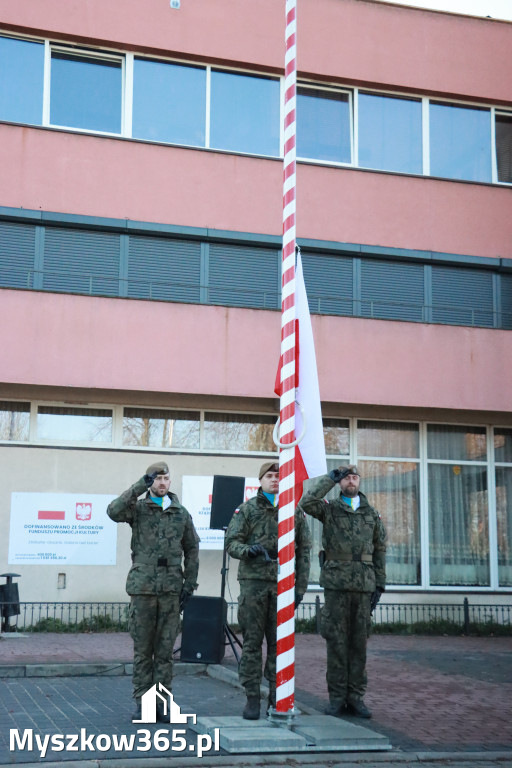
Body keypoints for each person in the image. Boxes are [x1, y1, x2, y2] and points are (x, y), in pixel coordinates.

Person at [107, 461, 200, 721]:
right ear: (151, 481)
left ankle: (161, 706)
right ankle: (143, 704)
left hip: (171, 589)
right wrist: (139, 485)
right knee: (142, 650)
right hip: (143, 588)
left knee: (165, 652)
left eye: (165, 478)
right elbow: (113, 511)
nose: (161, 482)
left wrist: (189, 584)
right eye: (156, 478)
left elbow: (192, 549)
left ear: (170, 482)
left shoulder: (181, 513)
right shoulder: (138, 509)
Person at [297, 465, 386, 719]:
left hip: (363, 585)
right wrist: (328, 479)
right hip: (336, 584)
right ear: (340, 482)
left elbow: (380, 549)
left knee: (359, 644)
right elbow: (306, 502)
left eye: (354, 477)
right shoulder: (330, 508)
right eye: (346, 478)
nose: (350, 481)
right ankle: (336, 698)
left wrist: (380, 583)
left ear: (359, 481)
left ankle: (356, 697)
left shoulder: (372, 513)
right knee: (336, 642)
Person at [225, 461, 311, 720]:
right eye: (270, 476)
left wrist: (300, 589)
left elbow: (303, 551)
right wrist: (247, 551)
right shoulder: (247, 510)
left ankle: (277, 696)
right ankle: (252, 697)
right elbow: (231, 542)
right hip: (254, 585)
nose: (275, 480)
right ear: (261, 481)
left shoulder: (293, 511)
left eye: (279, 476)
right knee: (252, 643)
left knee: (279, 645)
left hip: (283, 587)